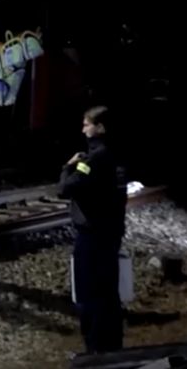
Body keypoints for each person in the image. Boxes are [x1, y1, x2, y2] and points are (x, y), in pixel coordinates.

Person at [59, 105, 127, 354]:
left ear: (100, 127)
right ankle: (112, 347)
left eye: (87, 124)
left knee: (90, 295)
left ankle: (95, 348)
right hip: (111, 232)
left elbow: (67, 188)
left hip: (92, 234)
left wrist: (68, 166)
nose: (83, 128)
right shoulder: (115, 155)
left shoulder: (93, 159)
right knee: (109, 294)